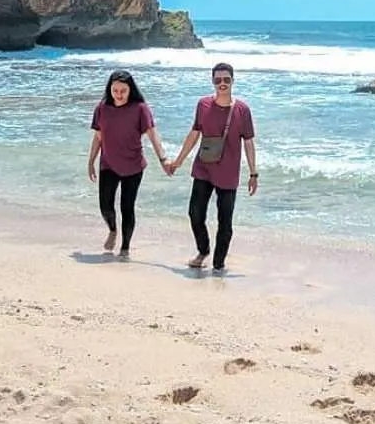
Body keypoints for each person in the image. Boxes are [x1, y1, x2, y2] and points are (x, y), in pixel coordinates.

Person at [165, 62, 257, 272]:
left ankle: (218, 265)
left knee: (225, 222)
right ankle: (203, 250)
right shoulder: (203, 104)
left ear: (233, 81)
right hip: (203, 167)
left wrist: (253, 173)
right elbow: (194, 134)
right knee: (195, 213)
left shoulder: (242, 110)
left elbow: (249, 142)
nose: (222, 84)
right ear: (212, 81)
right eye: (217, 80)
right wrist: (177, 162)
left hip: (228, 172)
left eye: (226, 79)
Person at [87, 70, 168, 259]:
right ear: (110, 90)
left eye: (123, 90)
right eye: (115, 90)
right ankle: (113, 229)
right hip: (108, 163)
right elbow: (98, 137)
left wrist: (163, 159)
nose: (119, 95)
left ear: (130, 90)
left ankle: (125, 247)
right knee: (105, 206)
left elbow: (152, 135)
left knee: (127, 207)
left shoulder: (140, 108)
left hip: (133, 166)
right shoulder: (102, 108)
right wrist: (91, 161)